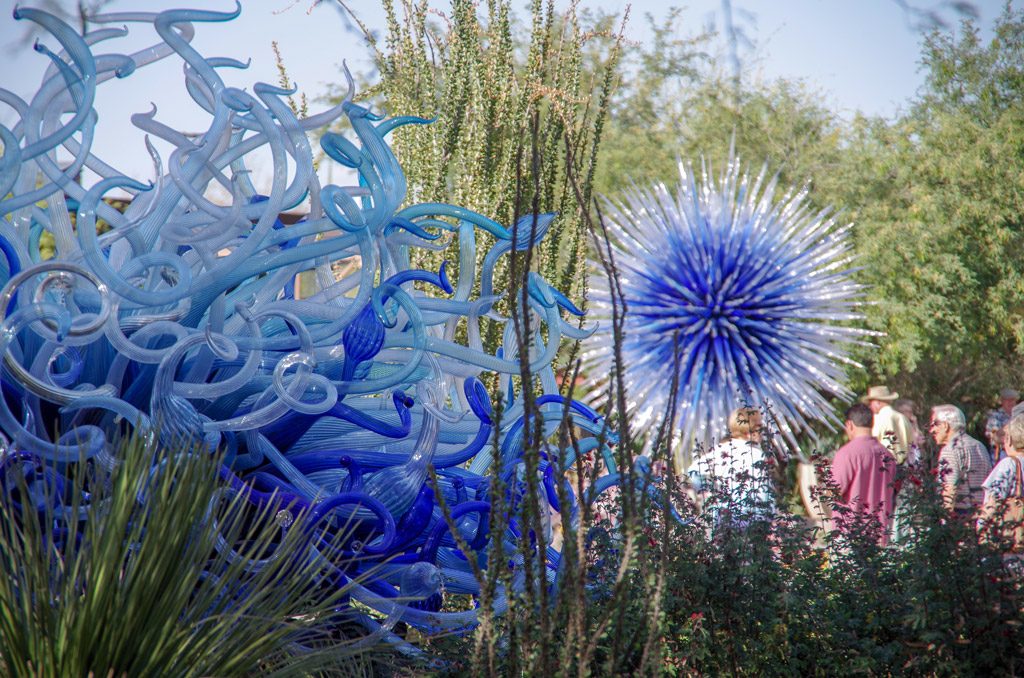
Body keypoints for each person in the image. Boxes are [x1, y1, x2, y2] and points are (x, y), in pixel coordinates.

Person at [687, 407, 775, 524]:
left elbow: (694, 471)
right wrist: (770, 517)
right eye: (760, 428)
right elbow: (763, 490)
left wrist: (709, 493)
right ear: (751, 432)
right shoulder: (757, 456)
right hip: (751, 517)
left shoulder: (720, 450)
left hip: (723, 516)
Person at [830, 403, 898, 545]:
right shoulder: (887, 455)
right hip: (879, 532)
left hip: (849, 532)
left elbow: (834, 490)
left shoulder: (847, 453)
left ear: (849, 425)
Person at [931, 404, 992, 516]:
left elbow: (949, 489)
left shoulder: (950, 450)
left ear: (945, 425)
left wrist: (944, 520)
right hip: (981, 513)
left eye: (934, 424)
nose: (932, 430)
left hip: (960, 515)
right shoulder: (979, 445)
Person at [861, 386, 913, 464]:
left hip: (885, 465)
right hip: (903, 466)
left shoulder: (877, 419)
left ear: (877, 402)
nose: (870, 406)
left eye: (871, 403)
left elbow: (871, 441)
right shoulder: (903, 418)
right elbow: (911, 441)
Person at [984, 388, 1018, 465]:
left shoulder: (1019, 416)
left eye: (1012, 400)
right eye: (1008, 400)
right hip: (1001, 456)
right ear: (1002, 401)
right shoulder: (995, 416)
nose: (1011, 403)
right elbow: (994, 436)